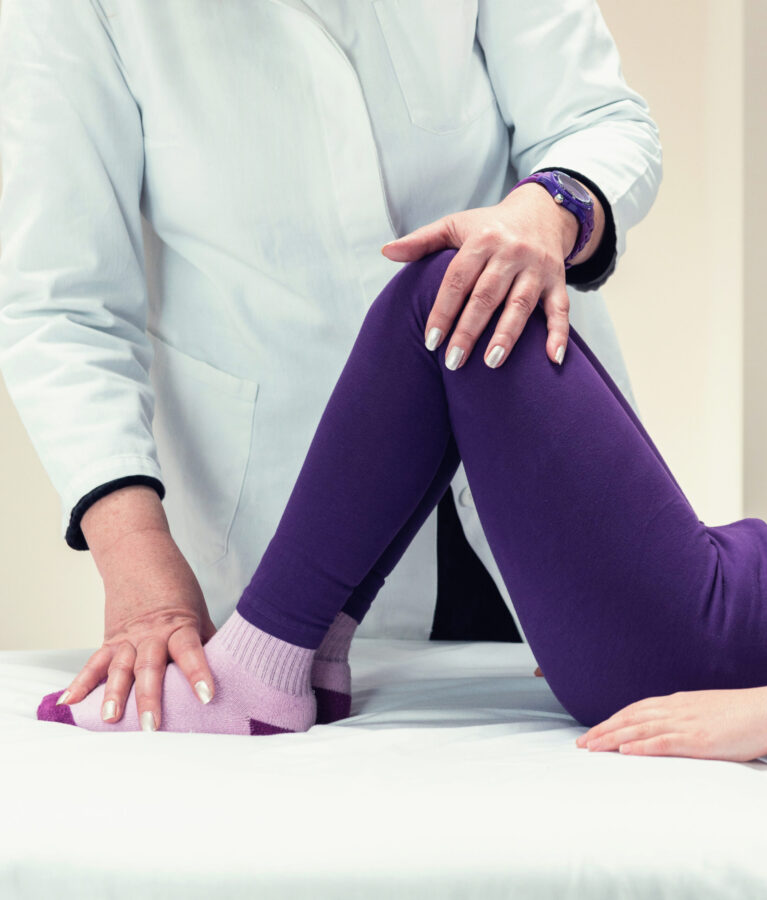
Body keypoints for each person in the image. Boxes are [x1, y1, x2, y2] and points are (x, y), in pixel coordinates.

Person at [0, 1, 661, 718]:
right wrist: (137, 563)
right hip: (287, 506)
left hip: (524, 422)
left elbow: (597, 120)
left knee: (611, 691)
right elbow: (62, 301)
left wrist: (550, 208)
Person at [38, 247, 767, 762]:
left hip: (727, 637)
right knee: (465, 290)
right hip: (742, 586)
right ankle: (311, 654)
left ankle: (259, 672)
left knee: (451, 293)